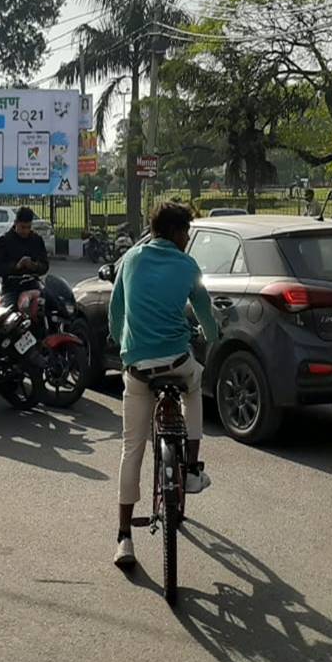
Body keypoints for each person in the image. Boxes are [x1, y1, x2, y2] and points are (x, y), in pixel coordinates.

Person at [108, 201, 220, 569]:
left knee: (132, 450)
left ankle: (125, 537)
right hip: (176, 361)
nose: (188, 238)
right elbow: (206, 316)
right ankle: (190, 470)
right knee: (195, 383)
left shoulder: (130, 260)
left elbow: (115, 315)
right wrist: (212, 336)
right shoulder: (188, 266)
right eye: (186, 231)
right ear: (174, 232)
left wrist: (125, 347)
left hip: (137, 368)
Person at [0, 206, 50, 309]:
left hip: (33, 284)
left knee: (52, 306)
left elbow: (45, 265)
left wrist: (34, 266)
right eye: (22, 227)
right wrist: (16, 266)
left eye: (28, 227)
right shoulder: (4, 240)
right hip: (12, 287)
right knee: (8, 316)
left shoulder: (37, 240)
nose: (25, 231)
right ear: (16, 223)